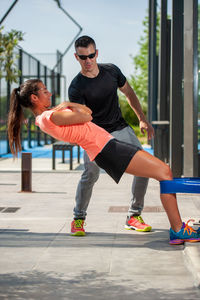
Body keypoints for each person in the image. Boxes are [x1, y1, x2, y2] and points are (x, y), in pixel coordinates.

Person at [7, 79, 200, 245]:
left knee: (163, 172)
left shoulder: (46, 117)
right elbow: (87, 115)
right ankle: (177, 229)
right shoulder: (50, 116)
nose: (49, 93)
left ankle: (176, 228)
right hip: (106, 149)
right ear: (34, 98)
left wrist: (70, 105)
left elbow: (87, 112)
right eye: (44, 90)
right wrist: (68, 103)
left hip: (106, 148)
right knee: (164, 172)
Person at [68, 35, 154, 236]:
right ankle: (78, 218)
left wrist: (141, 118)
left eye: (91, 55)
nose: (88, 61)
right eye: (83, 57)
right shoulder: (76, 87)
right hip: (94, 133)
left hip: (119, 127)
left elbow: (130, 93)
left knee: (144, 166)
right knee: (90, 174)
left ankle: (134, 215)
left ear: (96, 53)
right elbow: (81, 119)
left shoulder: (112, 71)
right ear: (76, 57)